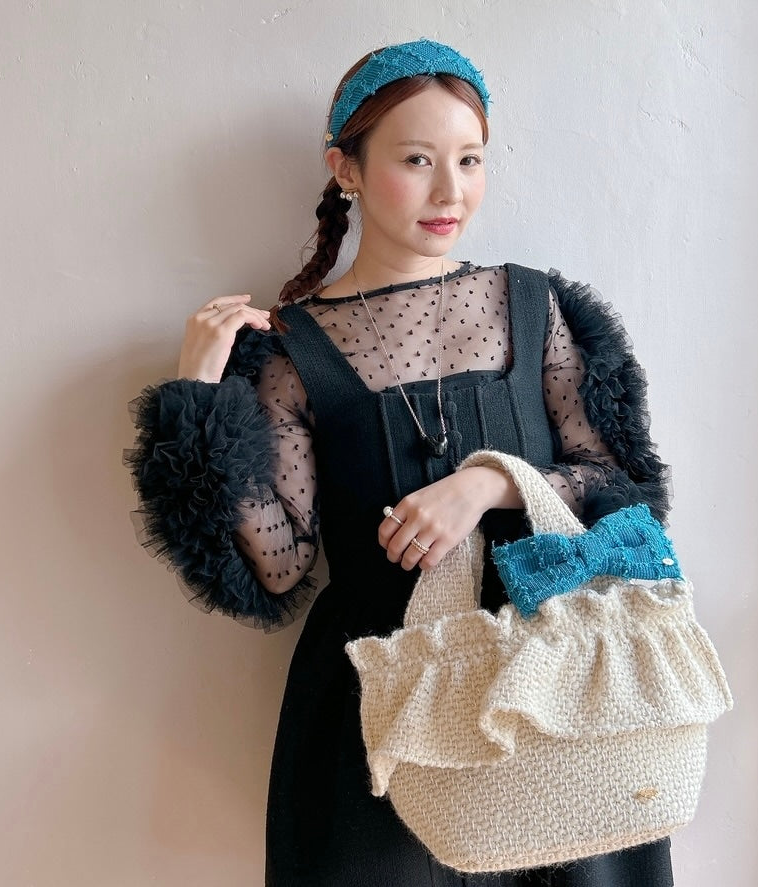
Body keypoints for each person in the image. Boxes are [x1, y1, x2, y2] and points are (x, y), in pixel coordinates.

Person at [127, 38, 673, 887]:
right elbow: (277, 565)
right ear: (344, 167)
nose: (450, 191)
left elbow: (620, 490)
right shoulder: (291, 350)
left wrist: (488, 481)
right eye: (416, 160)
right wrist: (199, 396)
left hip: (555, 689)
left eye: (469, 159)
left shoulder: (535, 307)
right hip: (379, 707)